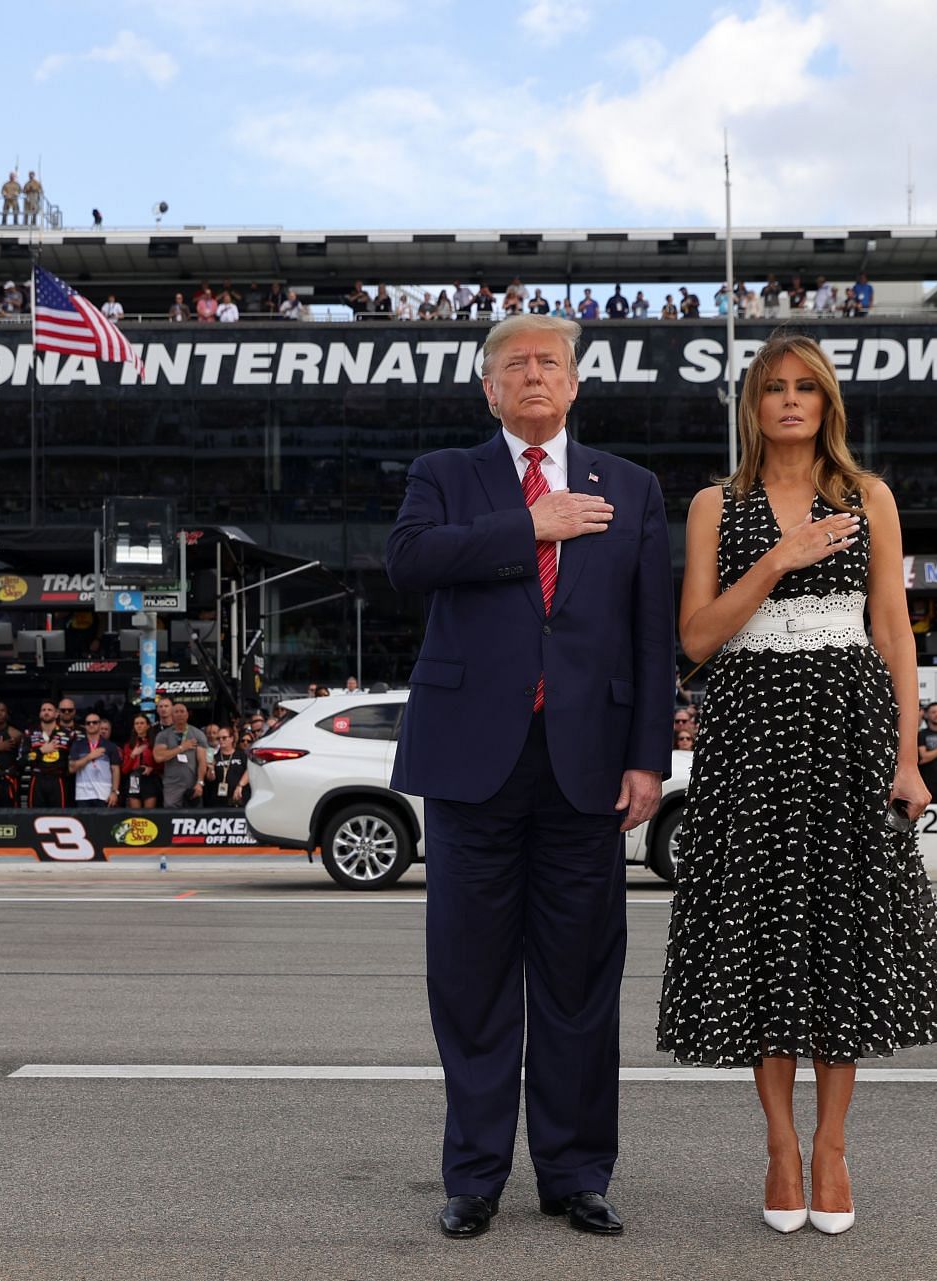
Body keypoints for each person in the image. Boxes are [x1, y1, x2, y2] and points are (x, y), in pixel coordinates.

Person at [657, 331, 937, 1238]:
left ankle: (833, 1145)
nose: (790, 400)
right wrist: (780, 558)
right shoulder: (718, 503)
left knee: (842, 934)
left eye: (807, 387)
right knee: (760, 933)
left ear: (829, 402)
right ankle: (780, 1145)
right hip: (750, 732)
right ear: (752, 405)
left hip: (847, 729)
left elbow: (895, 632)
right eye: (773, 388)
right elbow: (697, 639)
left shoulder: (868, 496)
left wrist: (909, 757)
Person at [386, 312, 675, 1241]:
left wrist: (647, 757)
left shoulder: (630, 488)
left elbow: (649, 633)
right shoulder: (447, 475)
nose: (535, 374)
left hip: (588, 769)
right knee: (469, 980)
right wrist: (529, 524)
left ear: (578, 383)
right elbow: (410, 561)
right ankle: (473, 1176)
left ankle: (576, 1173)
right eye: (516, 364)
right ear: (489, 387)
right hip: (473, 766)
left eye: (551, 361)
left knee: (581, 979)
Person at [154, 697, 209, 809]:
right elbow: (158, 757)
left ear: (187, 715)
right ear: (172, 715)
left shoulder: (198, 734)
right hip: (172, 785)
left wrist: (200, 783)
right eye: (176, 712)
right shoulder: (163, 735)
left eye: (182, 711)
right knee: (171, 816)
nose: (179, 714)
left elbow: (202, 761)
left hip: (192, 784)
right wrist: (181, 748)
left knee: (194, 817)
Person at [21, 700, 76, 809]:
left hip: (58, 780)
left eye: (49, 710)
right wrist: (40, 751)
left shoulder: (69, 734)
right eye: (43, 710)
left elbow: (73, 762)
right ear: (40, 714)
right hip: (37, 779)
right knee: (34, 816)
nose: (46, 712)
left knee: (60, 816)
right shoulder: (29, 733)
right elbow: (22, 760)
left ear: (57, 714)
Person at [70, 712, 119, 808]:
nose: (91, 724)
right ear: (85, 726)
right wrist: (89, 757)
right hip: (83, 794)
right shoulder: (77, 745)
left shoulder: (110, 746)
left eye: (94, 722)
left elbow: (115, 770)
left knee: (104, 823)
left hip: (104, 793)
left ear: (99, 725)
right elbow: (72, 768)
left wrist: (115, 792)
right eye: (88, 723)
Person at [118, 712, 159, 808]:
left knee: (149, 813)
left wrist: (152, 768)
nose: (139, 726)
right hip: (134, 778)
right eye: (136, 723)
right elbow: (124, 770)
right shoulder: (129, 745)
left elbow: (161, 764)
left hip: (149, 778)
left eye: (142, 723)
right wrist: (132, 755)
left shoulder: (153, 743)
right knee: (136, 814)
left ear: (148, 725)